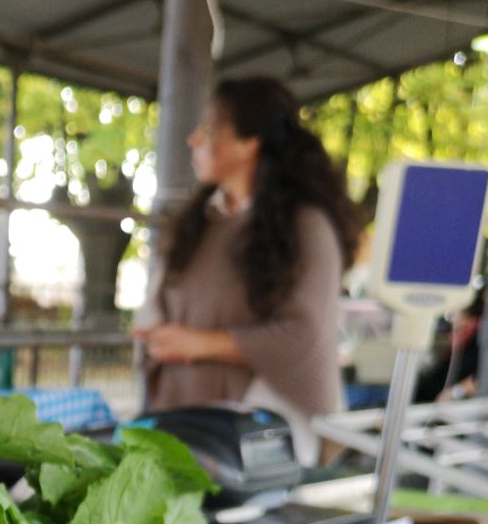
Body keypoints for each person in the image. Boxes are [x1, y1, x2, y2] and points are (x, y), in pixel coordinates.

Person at [133, 77, 360, 465]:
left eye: (210, 128)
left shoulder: (306, 227)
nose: (194, 140)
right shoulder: (198, 223)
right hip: (179, 424)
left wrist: (196, 343)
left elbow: (302, 338)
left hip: (259, 441)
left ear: (249, 141)